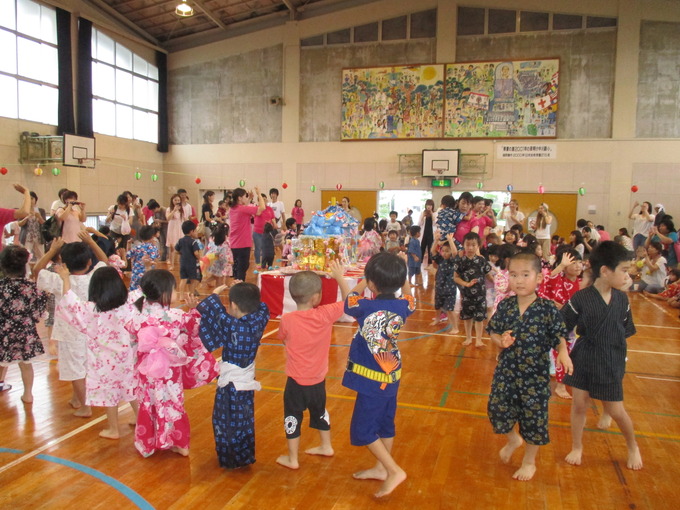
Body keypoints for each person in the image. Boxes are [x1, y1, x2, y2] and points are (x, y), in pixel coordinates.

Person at [487, 251, 572, 481]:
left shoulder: (547, 309)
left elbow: (559, 336)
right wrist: (500, 341)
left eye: (526, 274)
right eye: (514, 275)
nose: (519, 280)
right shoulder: (505, 306)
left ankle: (529, 462)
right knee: (497, 410)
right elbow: (493, 331)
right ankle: (513, 439)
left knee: (534, 419)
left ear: (539, 278)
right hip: (506, 372)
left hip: (535, 377)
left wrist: (563, 353)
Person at [562, 241, 643, 471]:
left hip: (611, 360)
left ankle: (632, 445)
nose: (627, 275)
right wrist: (561, 351)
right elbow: (561, 325)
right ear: (606, 271)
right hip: (585, 357)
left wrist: (616, 356)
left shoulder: (621, 300)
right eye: (624, 270)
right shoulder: (580, 299)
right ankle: (577, 446)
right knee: (579, 404)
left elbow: (625, 331)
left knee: (616, 410)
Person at [341, 252, 415, 498]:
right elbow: (409, 295)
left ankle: (393, 470)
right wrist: (403, 270)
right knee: (385, 423)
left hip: (372, 380)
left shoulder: (365, 306)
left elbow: (350, 298)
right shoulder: (404, 305)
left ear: (372, 283)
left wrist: (355, 278)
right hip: (392, 375)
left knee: (363, 430)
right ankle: (382, 468)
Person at [131, 269, 218, 457]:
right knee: (173, 403)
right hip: (170, 372)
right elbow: (194, 330)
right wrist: (194, 310)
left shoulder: (138, 314)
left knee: (148, 402)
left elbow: (131, 333)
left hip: (148, 370)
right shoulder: (177, 316)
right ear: (164, 293)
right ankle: (180, 444)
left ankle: (149, 443)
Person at [276, 262, 349, 469]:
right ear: (316, 297)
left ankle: (293, 458)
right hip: (318, 381)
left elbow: (283, 338)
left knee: (292, 417)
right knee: (320, 412)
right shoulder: (324, 314)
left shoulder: (288, 319)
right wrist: (340, 277)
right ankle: (326, 446)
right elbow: (349, 302)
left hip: (295, 383)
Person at [56, 265, 139, 439]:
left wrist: (65, 278)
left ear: (94, 288)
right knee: (130, 388)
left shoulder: (91, 310)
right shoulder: (129, 303)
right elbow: (143, 292)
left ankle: (113, 429)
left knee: (110, 393)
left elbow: (70, 304)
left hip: (103, 362)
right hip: (127, 357)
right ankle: (140, 419)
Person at [34, 233, 109, 417]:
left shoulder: (59, 280)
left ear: (64, 264)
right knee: (85, 365)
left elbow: (37, 270)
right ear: (89, 262)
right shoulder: (95, 277)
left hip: (70, 333)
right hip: (92, 331)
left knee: (75, 371)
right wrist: (91, 241)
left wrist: (52, 250)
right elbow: (104, 260)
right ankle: (78, 399)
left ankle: (85, 407)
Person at [197, 282, 270, 468]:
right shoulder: (259, 319)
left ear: (234, 306)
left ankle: (230, 458)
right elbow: (262, 305)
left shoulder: (234, 327)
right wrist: (245, 289)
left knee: (225, 420)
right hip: (246, 383)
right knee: (244, 419)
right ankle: (244, 456)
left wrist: (215, 293)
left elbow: (216, 314)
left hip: (230, 385)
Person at [0, 245, 48, 402]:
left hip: (3, 331)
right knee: (26, 364)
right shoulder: (32, 287)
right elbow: (39, 313)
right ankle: (28, 394)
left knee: (2, 360)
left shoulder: (1, 286)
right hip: (25, 331)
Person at [543, 249, 583, 399]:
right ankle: (560, 385)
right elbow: (548, 279)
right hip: (559, 324)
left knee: (571, 352)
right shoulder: (560, 280)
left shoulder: (580, 283)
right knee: (561, 351)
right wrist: (561, 266)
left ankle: (564, 377)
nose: (578, 266)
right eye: (573, 263)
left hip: (575, 326)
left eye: (580, 262)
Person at [454, 232, 492, 348]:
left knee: (479, 318)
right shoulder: (460, 261)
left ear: (478, 246)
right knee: (467, 317)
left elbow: (488, 275)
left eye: (473, 245)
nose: (470, 248)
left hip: (481, 295)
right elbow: (455, 277)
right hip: (466, 296)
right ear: (463, 245)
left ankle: (479, 340)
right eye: (468, 245)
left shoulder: (482, 260)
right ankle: (469, 337)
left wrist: (498, 282)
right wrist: (466, 284)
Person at [229, 187, 266, 281]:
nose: (246, 198)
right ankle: (239, 292)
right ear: (239, 198)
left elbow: (245, 208)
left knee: (238, 270)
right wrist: (259, 194)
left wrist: (248, 199)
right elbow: (262, 208)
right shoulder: (242, 209)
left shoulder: (233, 209)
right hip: (242, 244)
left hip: (234, 244)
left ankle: (236, 288)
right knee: (241, 271)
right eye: (245, 196)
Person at [430, 233, 459, 332]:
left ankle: (455, 327)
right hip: (439, 287)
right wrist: (436, 239)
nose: (445, 253)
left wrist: (450, 240)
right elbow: (433, 251)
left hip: (450, 289)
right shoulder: (441, 260)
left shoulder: (453, 260)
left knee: (450, 309)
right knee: (437, 305)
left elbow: (455, 253)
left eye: (447, 251)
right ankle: (437, 319)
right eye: (443, 251)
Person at [200, 223, 233, 289]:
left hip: (215, 261)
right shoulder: (224, 243)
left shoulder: (213, 240)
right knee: (220, 277)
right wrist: (227, 262)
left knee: (216, 276)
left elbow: (209, 247)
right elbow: (223, 256)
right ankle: (220, 289)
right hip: (223, 262)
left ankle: (207, 281)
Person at [176, 220, 202, 300]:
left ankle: (180, 296)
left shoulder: (180, 240)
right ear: (192, 231)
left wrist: (182, 255)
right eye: (196, 231)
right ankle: (191, 294)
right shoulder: (193, 242)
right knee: (193, 280)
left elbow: (176, 250)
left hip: (183, 263)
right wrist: (200, 259)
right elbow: (196, 253)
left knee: (183, 279)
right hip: (191, 264)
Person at [127, 225, 159, 291]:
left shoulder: (137, 247)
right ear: (152, 237)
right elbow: (156, 259)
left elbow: (128, 255)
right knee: (147, 292)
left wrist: (128, 244)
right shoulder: (154, 248)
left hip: (136, 274)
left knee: (134, 293)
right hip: (148, 274)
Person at [17, 191, 45, 262]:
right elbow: (19, 224)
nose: (30, 201)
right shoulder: (22, 211)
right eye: (28, 199)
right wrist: (26, 217)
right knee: (25, 257)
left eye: (32, 198)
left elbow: (45, 224)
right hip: (27, 237)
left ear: (35, 199)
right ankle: (26, 272)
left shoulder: (41, 211)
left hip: (38, 237)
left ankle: (40, 272)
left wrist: (39, 217)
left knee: (41, 257)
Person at [253, 194, 276, 267]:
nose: (264, 201)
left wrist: (275, 224)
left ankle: (266, 262)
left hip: (267, 232)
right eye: (262, 200)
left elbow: (273, 218)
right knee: (258, 247)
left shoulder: (270, 209)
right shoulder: (257, 209)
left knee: (266, 247)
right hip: (257, 231)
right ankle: (258, 262)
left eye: (265, 199)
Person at [165, 194, 185, 270]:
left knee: (181, 247)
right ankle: (172, 264)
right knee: (172, 247)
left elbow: (184, 219)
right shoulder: (169, 209)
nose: (177, 201)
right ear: (172, 201)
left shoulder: (182, 209)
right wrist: (174, 210)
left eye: (178, 200)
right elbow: (168, 218)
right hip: (172, 228)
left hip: (180, 228)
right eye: (175, 200)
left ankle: (181, 263)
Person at [418, 199, 436, 267]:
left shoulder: (435, 213)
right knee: (422, 248)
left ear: (432, 206)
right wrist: (423, 216)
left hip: (431, 234)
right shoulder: (422, 213)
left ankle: (430, 264)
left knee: (430, 249)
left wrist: (432, 215)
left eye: (430, 205)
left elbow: (435, 224)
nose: (429, 207)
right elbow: (419, 223)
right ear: (425, 205)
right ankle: (420, 263)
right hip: (424, 234)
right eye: (428, 205)